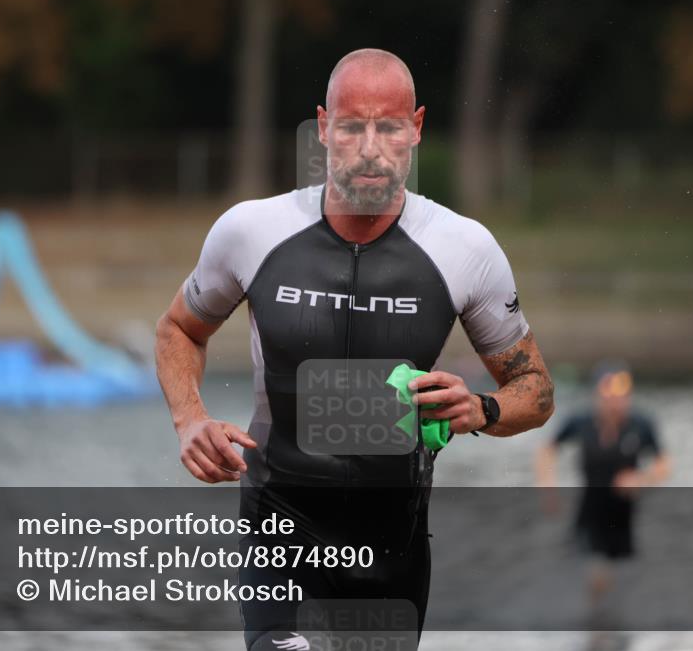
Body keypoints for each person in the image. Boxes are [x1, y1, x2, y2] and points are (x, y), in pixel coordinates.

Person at [155, 48, 554, 649]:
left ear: (415, 128)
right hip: (279, 527)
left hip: (392, 549)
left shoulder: (463, 248)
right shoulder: (253, 231)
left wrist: (481, 409)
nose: (370, 147)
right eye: (351, 126)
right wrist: (190, 419)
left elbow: (538, 392)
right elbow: (179, 329)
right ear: (323, 128)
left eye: (389, 127)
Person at [535, 363, 670, 606]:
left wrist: (640, 478)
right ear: (598, 395)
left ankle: (610, 613)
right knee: (592, 565)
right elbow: (547, 450)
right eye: (609, 396)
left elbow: (664, 463)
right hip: (590, 504)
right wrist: (548, 488)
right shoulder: (581, 421)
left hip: (624, 507)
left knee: (621, 569)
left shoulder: (641, 424)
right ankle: (594, 618)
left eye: (622, 396)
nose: (616, 403)